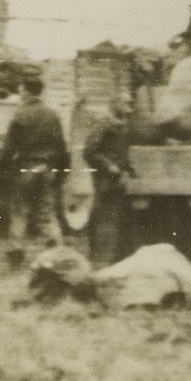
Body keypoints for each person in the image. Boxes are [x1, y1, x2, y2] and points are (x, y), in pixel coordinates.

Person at [0, 73, 71, 271]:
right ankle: (58, 255)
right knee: (47, 214)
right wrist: (60, 174)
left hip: (25, 170)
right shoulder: (53, 115)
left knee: (19, 213)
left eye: (20, 90)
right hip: (47, 170)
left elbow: (7, 150)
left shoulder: (20, 115)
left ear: (27, 91)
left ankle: (16, 257)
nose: (19, 93)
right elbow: (62, 148)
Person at [83, 95, 134, 267]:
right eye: (125, 103)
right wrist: (108, 166)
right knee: (102, 215)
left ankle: (108, 256)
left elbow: (122, 151)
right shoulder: (104, 124)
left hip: (117, 179)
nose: (129, 106)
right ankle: (99, 257)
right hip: (105, 178)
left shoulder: (123, 124)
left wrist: (128, 170)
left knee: (112, 216)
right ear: (114, 104)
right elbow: (89, 151)